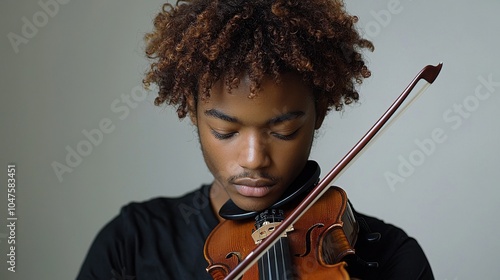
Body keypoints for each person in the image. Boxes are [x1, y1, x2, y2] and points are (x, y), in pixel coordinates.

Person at [77, 0, 434, 279]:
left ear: (320, 111)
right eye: (225, 132)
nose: (253, 159)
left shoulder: (390, 259)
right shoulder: (131, 244)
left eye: (283, 131)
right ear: (192, 109)